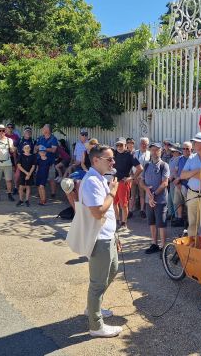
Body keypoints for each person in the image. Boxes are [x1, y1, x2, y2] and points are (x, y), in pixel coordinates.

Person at [81, 144, 122, 338]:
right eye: (109, 159)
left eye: (113, 158)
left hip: (108, 236)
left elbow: (108, 213)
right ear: (96, 160)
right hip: (99, 239)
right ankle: (96, 325)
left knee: (112, 270)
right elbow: (98, 212)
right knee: (98, 283)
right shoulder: (91, 181)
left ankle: (93, 308)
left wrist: (115, 235)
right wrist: (113, 192)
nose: (113, 162)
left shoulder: (99, 178)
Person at [179, 132, 201, 251]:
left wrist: (193, 173)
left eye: (196, 141)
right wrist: (198, 170)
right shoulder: (191, 157)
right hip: (192, 192)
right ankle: (193, 248)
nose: (193, 143)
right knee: (192, 223)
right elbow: (183, 175)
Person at [140, 142, 170, 254]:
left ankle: (163, 247)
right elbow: (141, 181)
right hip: (149, 200)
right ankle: (154, 244)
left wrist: (154, 194)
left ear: (160, 151)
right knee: (151, 222)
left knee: (161, 223)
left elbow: (165, 183)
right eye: (152, 149)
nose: (154, 152)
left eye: (157, 150)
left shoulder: (164, 165)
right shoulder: (147, 165)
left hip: (160, 199)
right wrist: (147, 190)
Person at [112, 137, 142, 231]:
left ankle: (124, 223)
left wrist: (131, 178)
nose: (119, 147)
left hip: (123, 183)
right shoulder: (115, 153)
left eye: (121, 145)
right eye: (117, 145)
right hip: (114, 181)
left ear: (125, 145)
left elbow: (140, 168)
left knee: (123, 204)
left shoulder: (130, 155)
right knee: (113, 202)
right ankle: (117, 221)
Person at [35, 124, 59, 198]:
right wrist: (37, 147)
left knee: (51, 177)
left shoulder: (53, 139)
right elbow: (36, 147)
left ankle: (53, 193)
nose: (42, 129)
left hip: (50, 161)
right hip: (40, 161)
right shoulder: (40, 138)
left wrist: (44, 148)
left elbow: (54, 150)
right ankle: (39, 193)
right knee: (39, 176)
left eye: (44, 128)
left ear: (48, 130)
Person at [172, 141, 192, 227]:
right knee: (178, 202)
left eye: (187, 149)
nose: (185, 150)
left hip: (189, 186)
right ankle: (179, 219)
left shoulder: (193, 159)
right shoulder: (180, 159)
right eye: (183, 148)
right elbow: (175, 171)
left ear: (191, 149)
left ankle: (189, 222)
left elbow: (191, 174)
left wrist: (179, 178)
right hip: (179, 185)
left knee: (189, 205)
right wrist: (177, 180)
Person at [131, 137, 151, 219]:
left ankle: (142, 210)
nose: (144, 145)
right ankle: (130, 210)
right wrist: (133, 176)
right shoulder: (135, 153)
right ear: (139, 144)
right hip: (134, 176)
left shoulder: (149, 154)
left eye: (145, 143)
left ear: (148, 144)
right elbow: (131, 165)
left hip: (143, 178)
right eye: (142, 143)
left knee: (142, 194)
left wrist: (142, 177)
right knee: (132, 195)